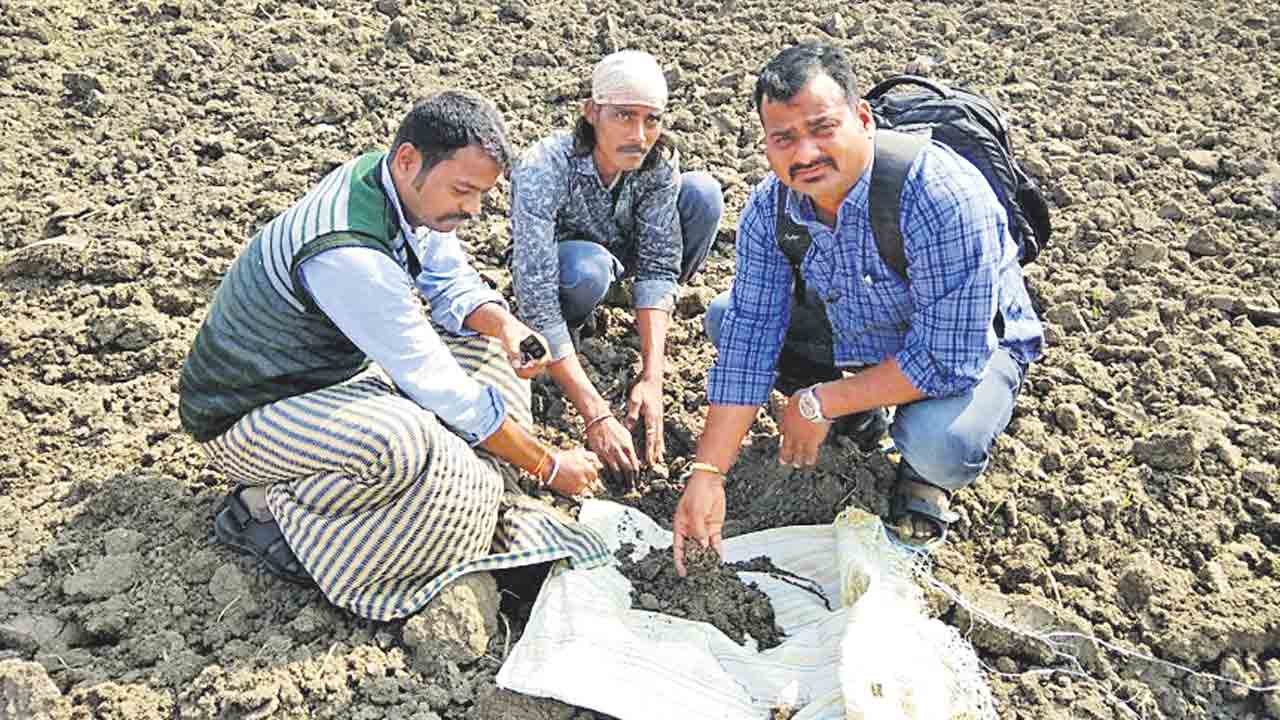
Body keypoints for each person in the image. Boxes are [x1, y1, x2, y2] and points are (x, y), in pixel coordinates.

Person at [178, 91, 610, 621]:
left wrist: (505, 326)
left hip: (333, 378)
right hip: (247, 415)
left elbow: (449, 280)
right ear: (409, 160)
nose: (473, 209)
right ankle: (269, 513)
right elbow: (446, 393)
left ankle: (471, 499)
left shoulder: (398, 191)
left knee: (488, 356)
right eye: (464, 190)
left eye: (481, 194)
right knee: (408, 443)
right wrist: (547, 466)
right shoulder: (349, 253)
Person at [672, 42, 1044, 571]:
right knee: (726, 317)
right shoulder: (770, 208)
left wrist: (818, 402)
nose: (804, 154)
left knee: (943, 443)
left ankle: (919, 474)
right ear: (767, 146)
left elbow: (948, 358)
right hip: (861, 321)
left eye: (823, 128)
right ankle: (861, 416)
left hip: (964, 340)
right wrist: (708, 473)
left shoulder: (940, 195)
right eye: (784, 138)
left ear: (863, 119)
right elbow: (750, 337)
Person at [509, 49, 724, 477]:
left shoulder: (657, 161)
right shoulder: (545, 167)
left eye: (651, 119)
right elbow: (534, 297)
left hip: (628, 259)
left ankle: (641, 310)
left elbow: (660, 262)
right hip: (572, 268)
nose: (640, 135)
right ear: (592, 112)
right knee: (586, 270)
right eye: (624, 116)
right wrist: (595, 413)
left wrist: (653, 378)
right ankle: (577, 330)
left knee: (703, 195)